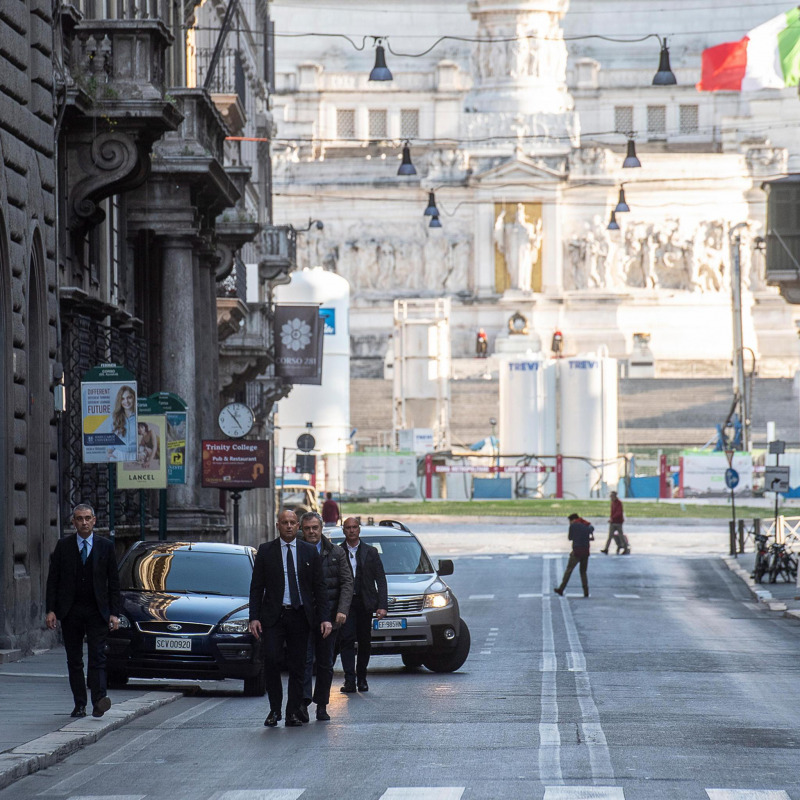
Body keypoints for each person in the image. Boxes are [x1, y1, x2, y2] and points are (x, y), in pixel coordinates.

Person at [248, 510, 331, 728]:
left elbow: (319, 588)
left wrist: (324, 618)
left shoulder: (309, 551)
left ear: (298, 527)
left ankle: (292, 711)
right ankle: (274, 709)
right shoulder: (266, 551)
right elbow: (256, 587)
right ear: (278, 525)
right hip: (274, 616)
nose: (289, 526)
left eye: (293, 523)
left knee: (298, 665)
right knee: (273, 661)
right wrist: (254, 617)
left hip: (300, 615)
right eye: (285, 523)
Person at [45, 503, 120, 719]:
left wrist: (114, 613)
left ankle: (99, 701)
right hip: (71, 610)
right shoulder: (64, 546)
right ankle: (80, 704)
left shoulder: (106, 546)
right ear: (73, 522)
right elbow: (53, 581)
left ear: (94, 520)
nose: (84, 522)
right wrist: (51, 610)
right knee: (74, 659)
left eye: (87, 518)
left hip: (98, 610)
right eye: (79, 518)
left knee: (98, 657)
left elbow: (113, 582)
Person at [298, 512, 353, 721]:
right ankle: (303, 703)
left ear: (321, 529)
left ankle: (322, 704)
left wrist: (342, 610)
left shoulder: (336, 553)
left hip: (329, 618)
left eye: (315, 528)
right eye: (307, 528)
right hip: (303, 617)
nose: (312, 532)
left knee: (325, 664)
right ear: (302, 530)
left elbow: (347, 583)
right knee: (304, 661)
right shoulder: (297, 552)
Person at [338, 516, 388, 693]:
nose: (351, 530)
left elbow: (380, 579)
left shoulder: (371, 552)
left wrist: (382, 605)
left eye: (354, 527)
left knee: (365, 642)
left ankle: (362, 678)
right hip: (346, 604)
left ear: (359, 529)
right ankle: (349, 680)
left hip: (365, 603)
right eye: (348, 528)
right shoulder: (337, 552)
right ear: (343, 530)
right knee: (346, 640)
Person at [554, 513, 595, 598]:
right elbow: (591, 530)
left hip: (576, 551)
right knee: (583, 572)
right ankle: (586, 591)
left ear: (572, 520)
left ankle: (561, 589)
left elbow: (570, 538)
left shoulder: (573, 526)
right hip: (586, 551)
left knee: (569, 570)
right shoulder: (586, 524)